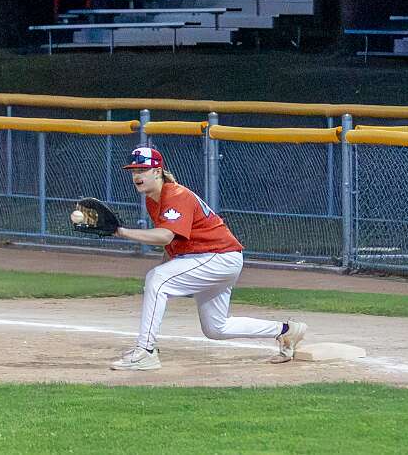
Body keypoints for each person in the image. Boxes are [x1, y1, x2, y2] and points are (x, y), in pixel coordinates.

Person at [106, 146, 306, 371]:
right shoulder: (154, 200)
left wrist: (121, 232)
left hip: (218, 256)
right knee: (215, 328)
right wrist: (164, 271)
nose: (136, 176)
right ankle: (286, 331)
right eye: (133, 171)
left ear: (157, 171)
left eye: (142, 170)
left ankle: (146, 352)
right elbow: (171, 243)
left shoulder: (175, 195)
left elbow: (165, 235)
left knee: (156, 278)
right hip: (213, 259)